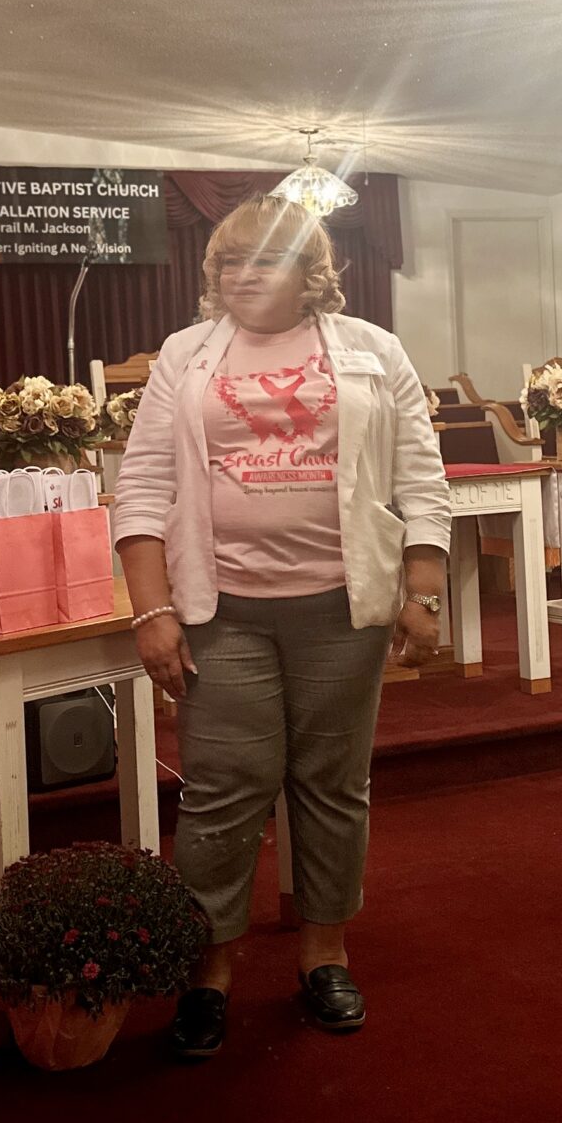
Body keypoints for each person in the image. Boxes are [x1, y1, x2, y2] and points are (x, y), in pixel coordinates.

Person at [112, 195, 451, 1061]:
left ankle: (324, 953)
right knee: (223, 788)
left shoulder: (374, 351)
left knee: (332, 784)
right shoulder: (185, 356)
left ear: (311, 274)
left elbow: (420, 475)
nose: (241, 276)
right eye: (228, 262)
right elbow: (143, 485)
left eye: (264, 260)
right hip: (221, 608)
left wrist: (423, 586)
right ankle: (210, 970)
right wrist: (151, 609)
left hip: (342, 606)